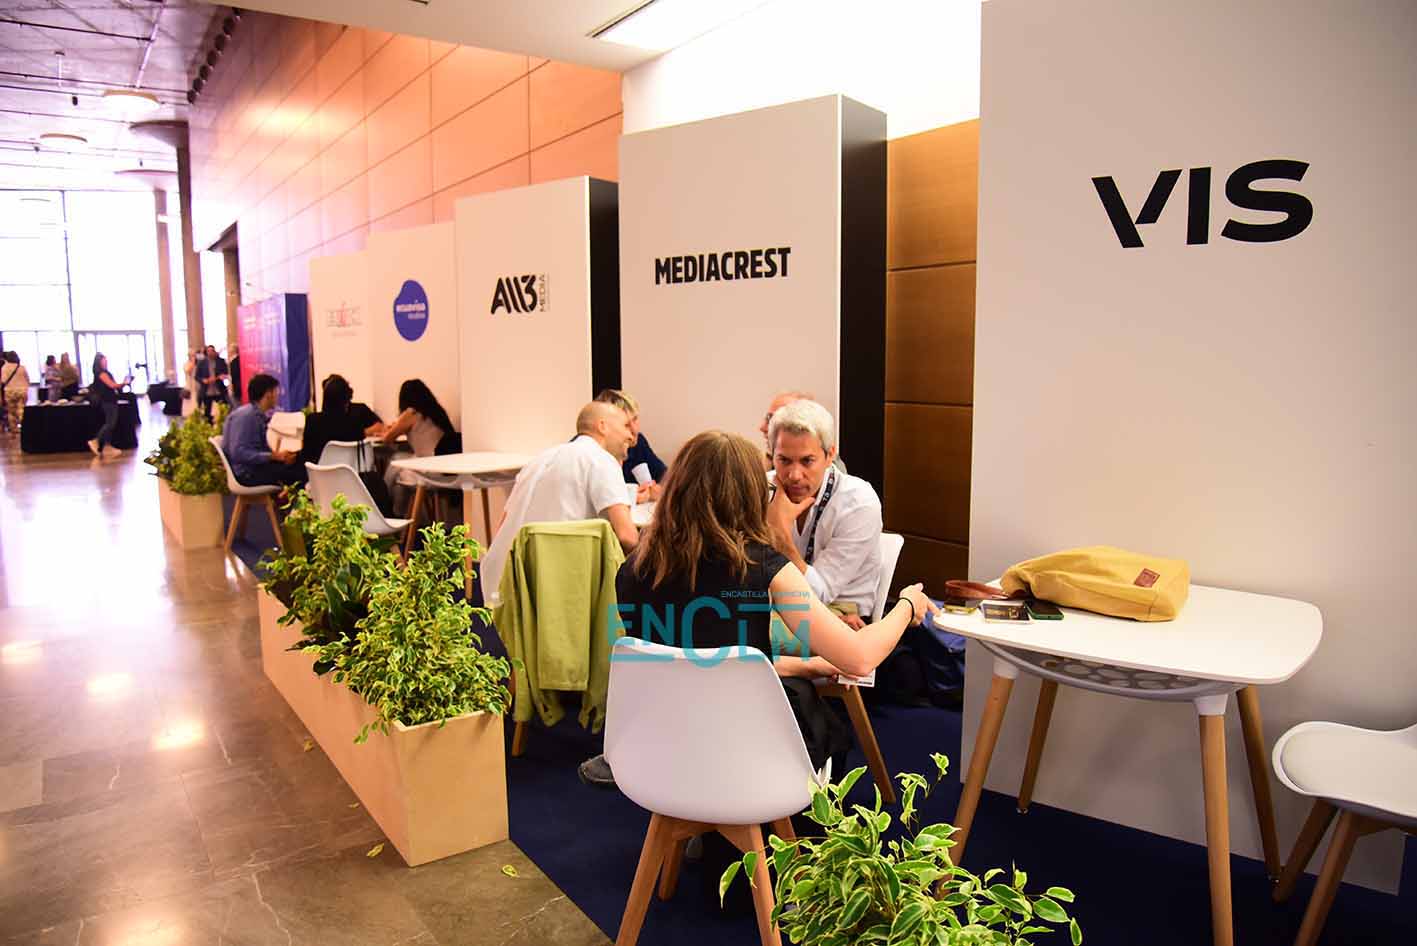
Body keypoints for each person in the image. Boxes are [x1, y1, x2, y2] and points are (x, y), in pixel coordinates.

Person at [580, 430, 934, 786]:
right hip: (746, 754)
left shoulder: (634, 568)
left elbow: (699, 663)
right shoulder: (763, 567)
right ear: (749, 496)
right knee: (818, 721)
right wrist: (906, 605)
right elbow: (859, 658)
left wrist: (806, 665)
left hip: (660, 750)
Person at [480, 400, 639, 607]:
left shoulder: (539, 460)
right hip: (553, 590)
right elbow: (628, 537)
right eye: (625, 426)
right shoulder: (600, 460)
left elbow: (503, 524)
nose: (631, 436)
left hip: (504, 585)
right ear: (602, 426)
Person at [765, 399, 882, 630]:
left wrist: (780, 537)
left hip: (839, 614)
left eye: (807, 461)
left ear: (830, 455)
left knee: (739, 633)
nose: (794, 475)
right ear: (772, 455)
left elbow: (818, 594)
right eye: (784, 460)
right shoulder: (762, 489)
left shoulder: (858, 502)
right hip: (775, 608)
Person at [380, 379, 459, 510]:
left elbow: (387, 438)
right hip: (446, 468)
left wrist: (388, 430)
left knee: (395, 461)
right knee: (400, 469)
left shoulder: (411, 412)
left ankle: (384, 505)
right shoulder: (435, 412)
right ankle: (396, 512)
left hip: (430, 470)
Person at [222, 373, 306, 487]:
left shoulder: (253, 414)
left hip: (253, 468)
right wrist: (273, 456)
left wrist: (279, 457)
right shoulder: (247, 417)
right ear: (268, 394)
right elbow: (239, 453)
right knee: (300, 473)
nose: (278, 395)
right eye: (276, 391)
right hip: (248, 473)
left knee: (296, 464)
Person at [594, 388, 666, 501]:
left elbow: (666, 477)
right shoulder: (590, 451)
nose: (634, 430)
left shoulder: (637, 443)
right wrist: (632, 497)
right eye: (626, 424)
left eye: (635, 419)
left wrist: (661, 490)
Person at [299, 374, 385, 467]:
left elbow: (306, 455)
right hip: (351, 473)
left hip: (318, 473)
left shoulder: (312, 421)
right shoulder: (354, 422)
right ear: (346, 400)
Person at [759, 389, 847, 473]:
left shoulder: (834, 472)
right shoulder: (766, 461)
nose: (762, 427)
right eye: (784, 460)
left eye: (807, 461)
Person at [86, 353, 130, 458]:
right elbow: (112, 385)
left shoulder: (106, 372)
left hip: (111, 400)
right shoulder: (101, 374)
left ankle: (106, 446)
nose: (106, 362)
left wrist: (122, 384)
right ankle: (96, 440)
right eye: (104, 360)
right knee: (110, 423)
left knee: (111, 424)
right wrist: (124, 383)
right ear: (99, 362)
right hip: (107, 401)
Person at [195, 345, 230, 419]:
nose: (210, 353)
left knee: (224, 408)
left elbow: (226, 372)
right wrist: (203, 380)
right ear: (206, 352)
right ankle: (208, 422)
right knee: (207, 411)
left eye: (212, 351)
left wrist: (222, 376)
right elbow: (197, 376)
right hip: (207, 391)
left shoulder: (221, 361)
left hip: (219, 389)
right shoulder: (202, 363)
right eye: (209, 351)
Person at [1, 352, 28, 435]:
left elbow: (3, 380)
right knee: (21, 409)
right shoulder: (22, 367)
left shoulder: (4, 368)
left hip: (9, 391)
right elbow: (27, 379)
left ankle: (14, 428)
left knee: (11, 411)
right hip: (22, 390)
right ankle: (25, 427)